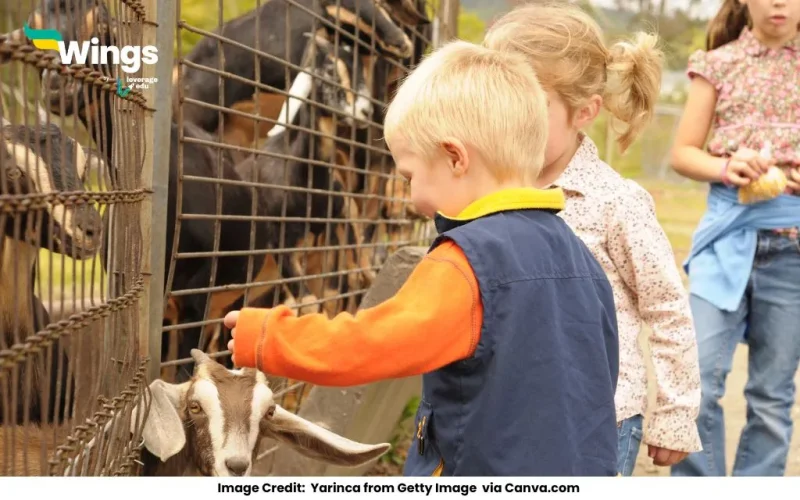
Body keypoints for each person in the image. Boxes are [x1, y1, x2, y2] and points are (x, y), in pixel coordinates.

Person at [223, 39, 621, 476]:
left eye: (411, 175)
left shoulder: (467, 262)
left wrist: (266, 338)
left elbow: (371, 345)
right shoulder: (581, 258)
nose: (411, 198)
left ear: (454, 158)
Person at [482, 1, 703, 477]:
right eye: (495, 99)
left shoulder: (613, 203)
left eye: (529, 105)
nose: (506, 119)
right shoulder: (486, 194)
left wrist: (675, 414)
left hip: (599, 418)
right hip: (511, 415)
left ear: (585, 111)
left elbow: (667, 309)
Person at [666, 0, 800, 477]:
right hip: (725, 241)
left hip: (793, 250)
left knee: (771, 396)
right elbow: (683, 152)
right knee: (697, 382)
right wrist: (726, 167)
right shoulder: (717, 64)